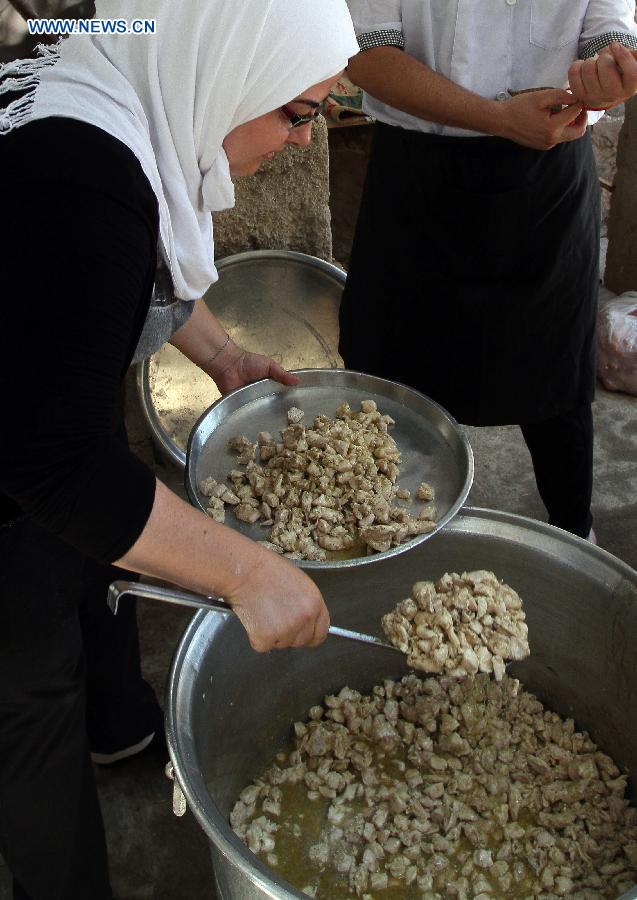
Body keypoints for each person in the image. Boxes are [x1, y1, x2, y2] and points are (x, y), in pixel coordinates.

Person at [0, 1, 358, 896]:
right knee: (26, 701)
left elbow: (115, 275)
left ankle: (118, 720)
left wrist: (227, 356)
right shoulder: (86, 181)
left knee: (89, 560)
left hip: (28, 406)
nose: (303, 142)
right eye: (298, 112)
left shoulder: (98, 79)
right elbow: (56, 465)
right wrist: (248, 572)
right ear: (223, 63)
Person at [339, 0, 637, 541]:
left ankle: (574, 536)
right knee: (389, 368)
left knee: (553, 371)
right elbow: (365, 53)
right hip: (417, 177)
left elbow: (607, 34)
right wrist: (497, 118)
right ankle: (375, 531)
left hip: (546, 175)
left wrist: (607, 76)